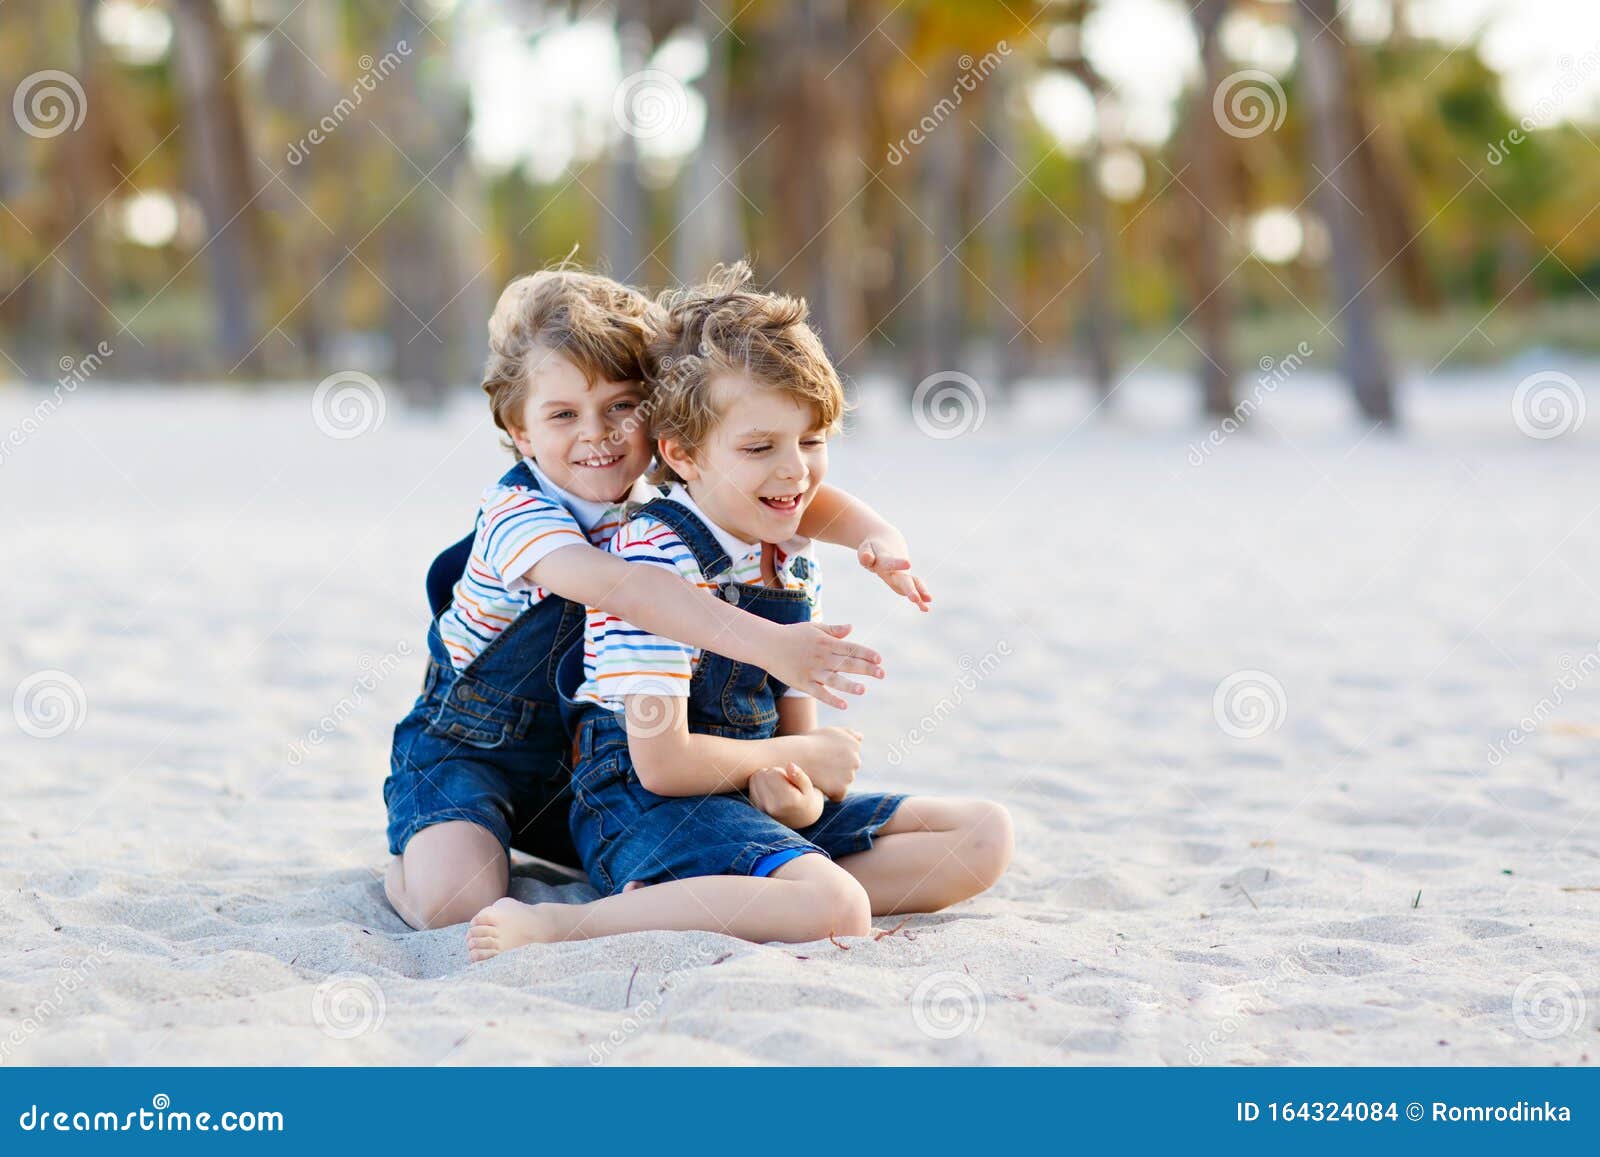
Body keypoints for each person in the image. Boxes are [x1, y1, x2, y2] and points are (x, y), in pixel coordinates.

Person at [465, 264, 1011, 957]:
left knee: (983, 834)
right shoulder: (657, 562)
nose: (795, 472)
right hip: (645, 806)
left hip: (739, 796)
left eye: (811, 440)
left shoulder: (783, 549)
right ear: (684, 453)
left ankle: (752, 893)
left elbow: (793, 753)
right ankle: (566, 924)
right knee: (837, 906)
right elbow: (663, 765)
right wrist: (793, 756)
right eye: (760, 447)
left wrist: (797, 795)